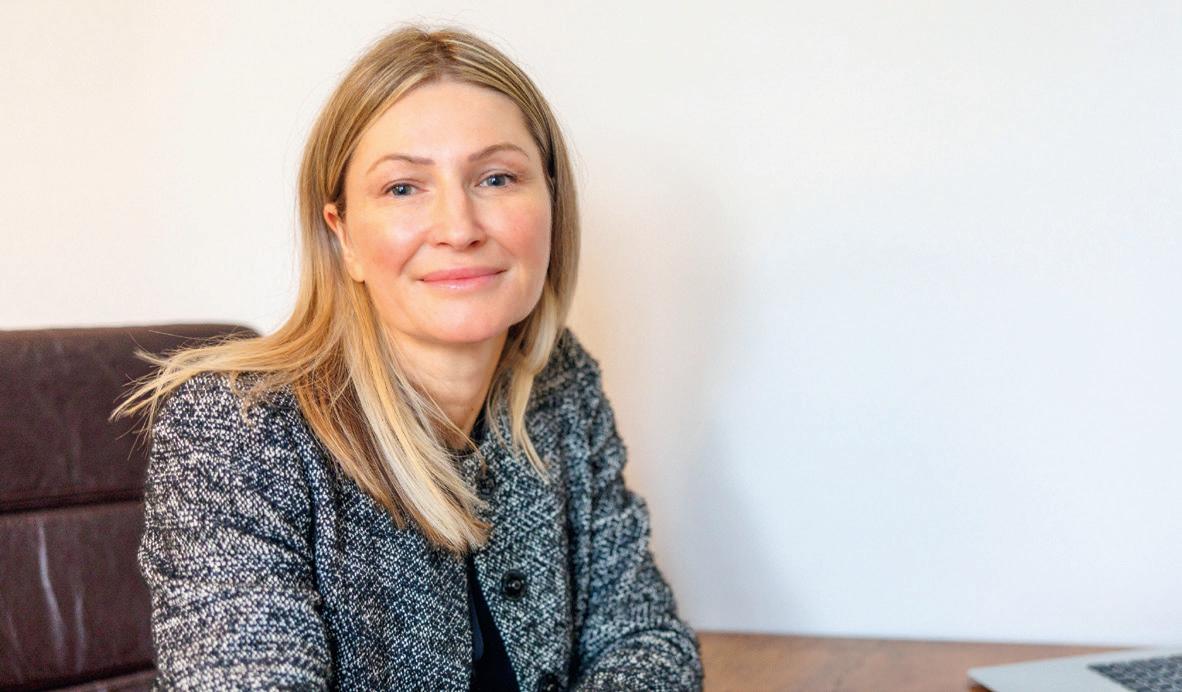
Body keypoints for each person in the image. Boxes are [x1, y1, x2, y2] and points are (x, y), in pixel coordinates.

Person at [114, 24, 703, 691]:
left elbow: (645, 640)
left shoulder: (559, 383)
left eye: (497, 178)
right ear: (343, 236)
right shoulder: (236, 429)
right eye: (403, 188)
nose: (459, 228)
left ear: (551, 204)